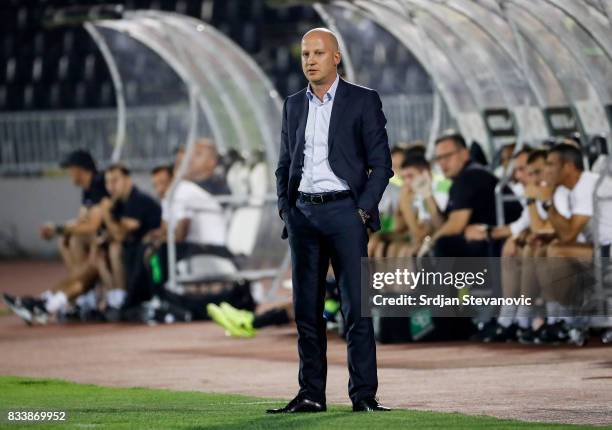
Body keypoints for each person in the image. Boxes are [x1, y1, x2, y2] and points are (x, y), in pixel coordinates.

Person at [272, 27, 392, 414]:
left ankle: (364, 396)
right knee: (307, 313)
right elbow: (284, 165)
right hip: (303, 214)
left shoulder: (363, 100)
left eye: (318, 53)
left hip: (346, 212)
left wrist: (361, 211)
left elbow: (381, 165)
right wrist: (286, 210)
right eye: (305, 54)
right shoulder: (293, 105)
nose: (310, 60)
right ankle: (311, 395)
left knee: (356, 309)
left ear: (335, 57)